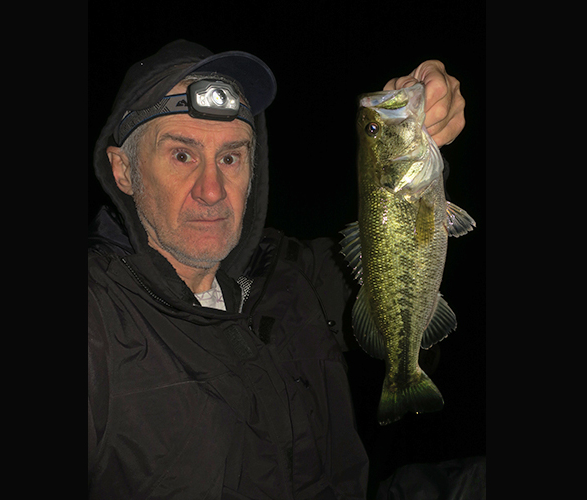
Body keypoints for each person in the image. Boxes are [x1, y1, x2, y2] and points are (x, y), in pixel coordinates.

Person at [88, 39, 465, 499]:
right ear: (123, 170)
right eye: (182, 155)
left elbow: (404, 310)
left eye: (230, 157)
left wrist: (426, 113)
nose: (211, 190)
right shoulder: (97, 320)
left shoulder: (291, 272)